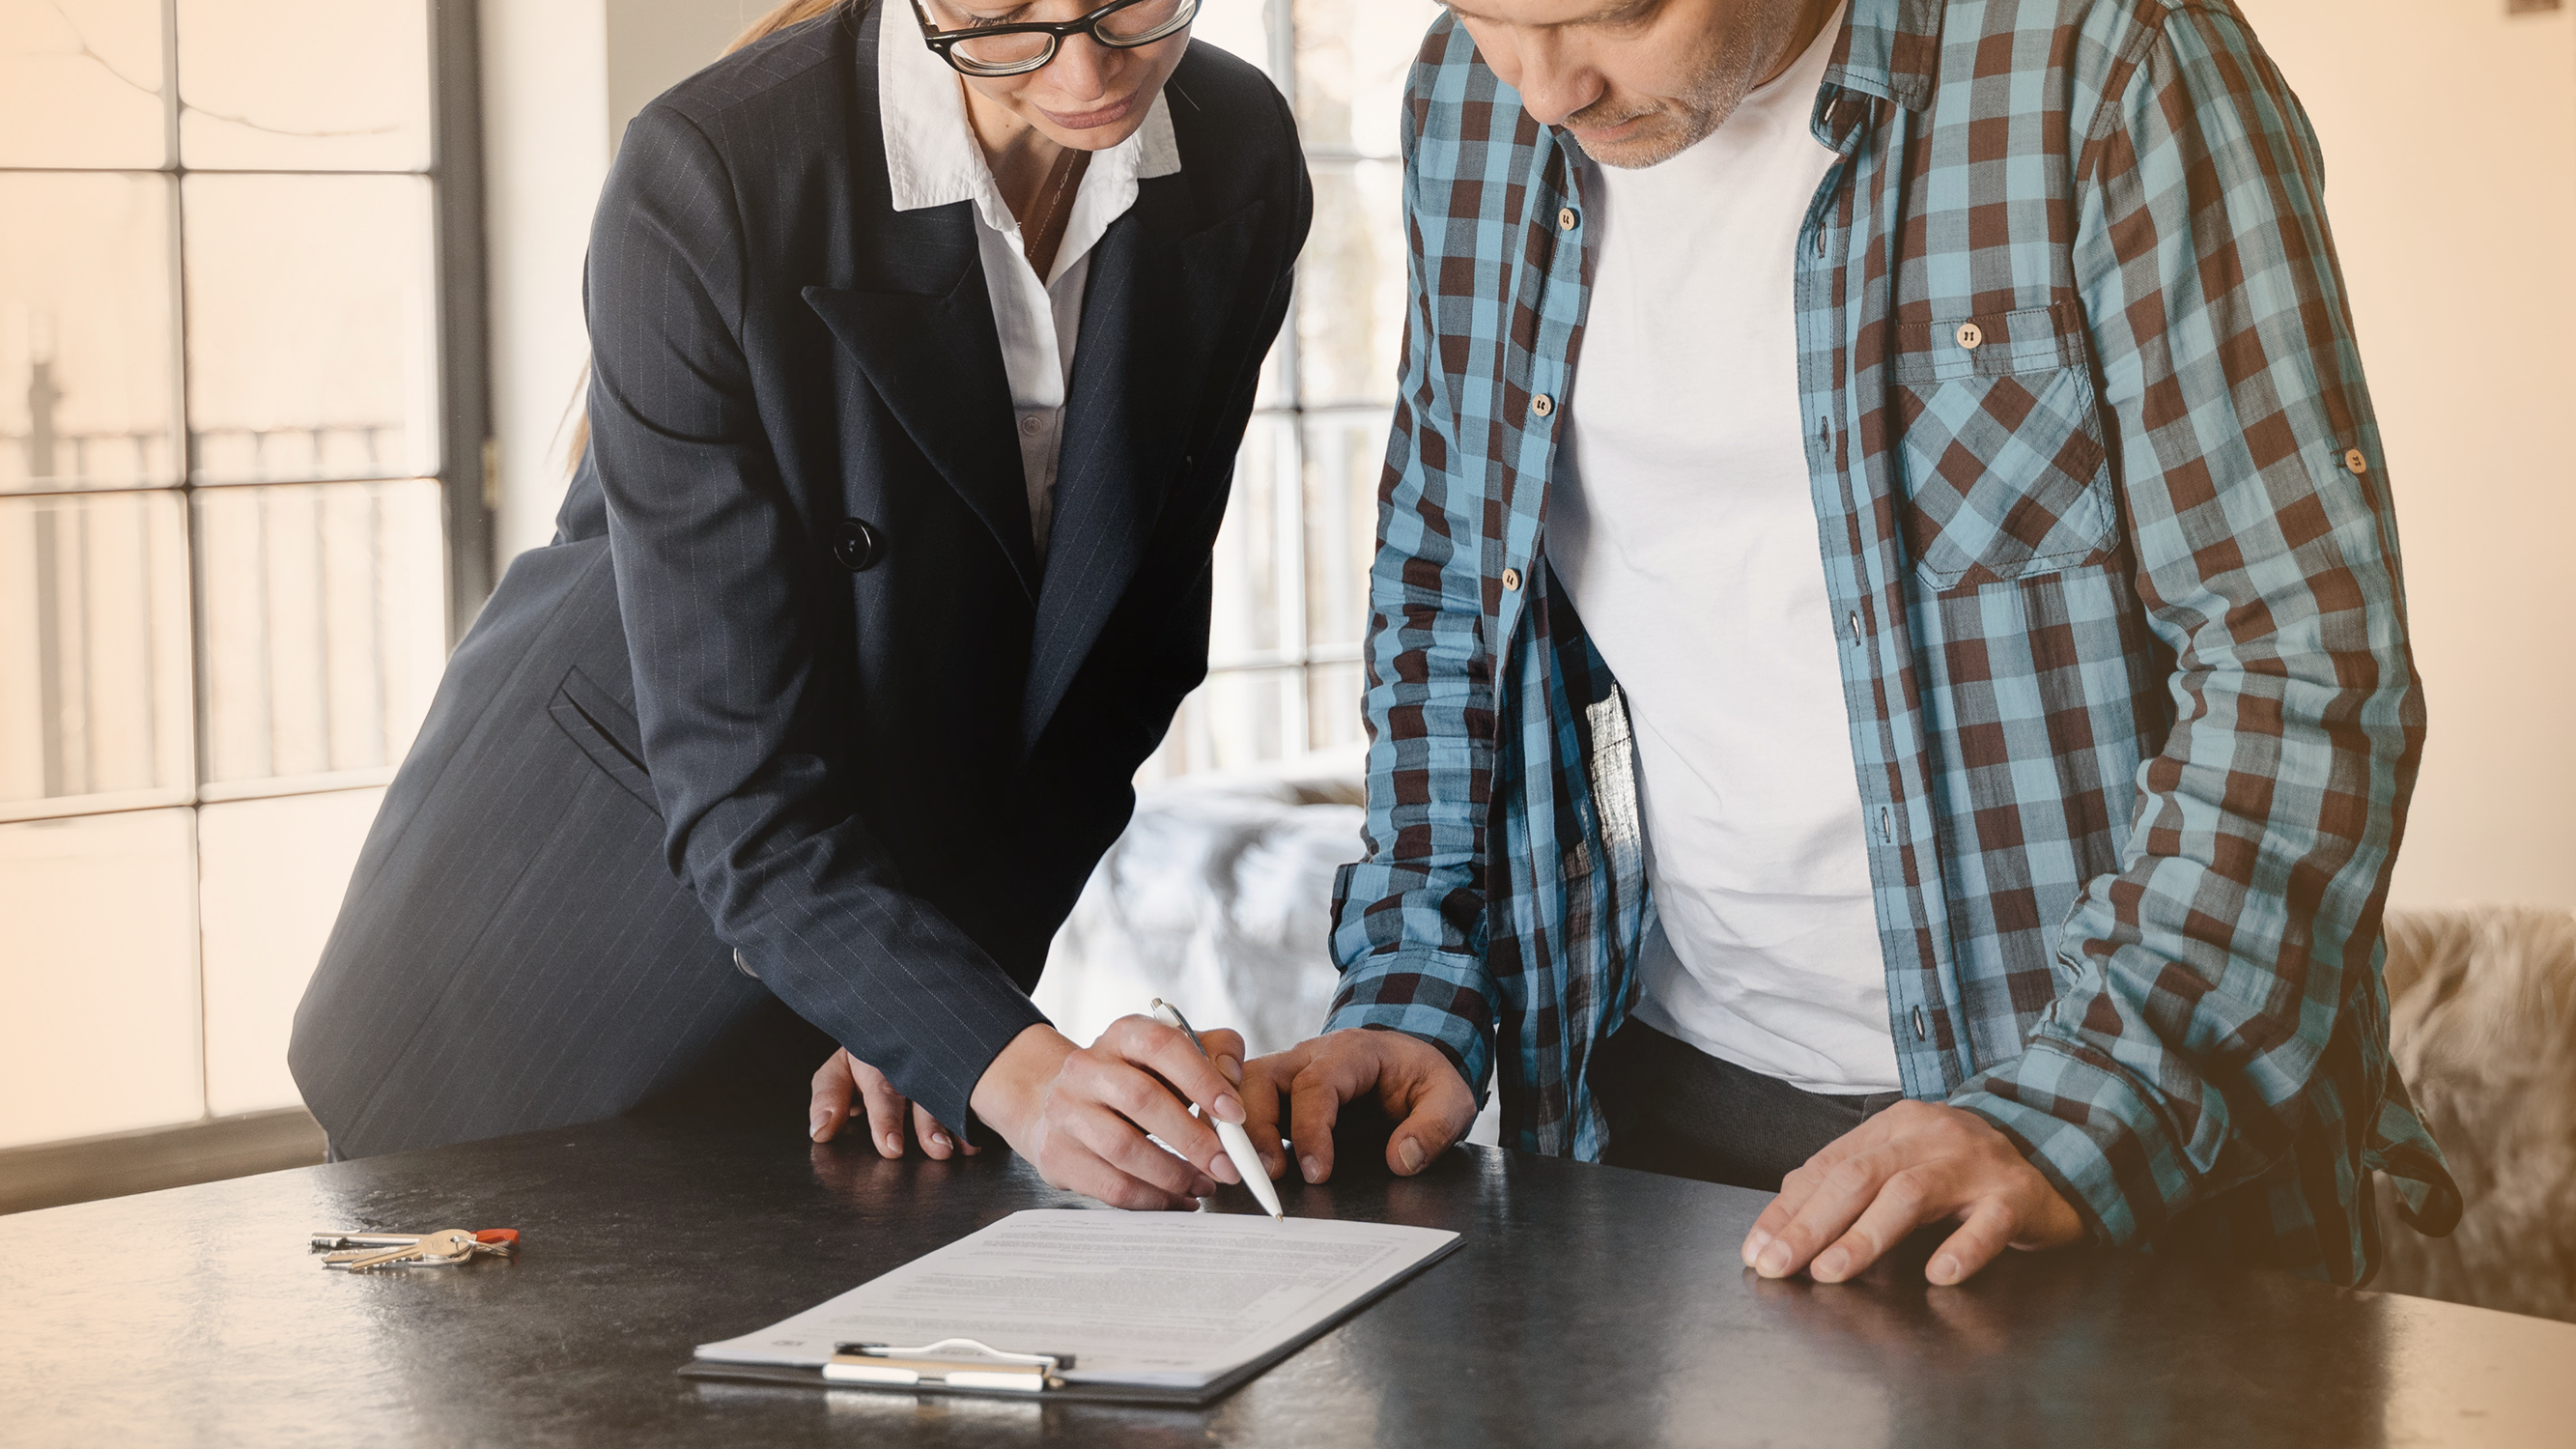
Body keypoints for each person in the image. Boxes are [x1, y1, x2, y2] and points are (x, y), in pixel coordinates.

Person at [1245, 0, 2459, 1287]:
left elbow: (2294, 659)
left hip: (2098, 1150)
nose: (1544, 89)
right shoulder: (1464, 102)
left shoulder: (2101, 61)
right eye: (1487, 15)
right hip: (1665, 1118)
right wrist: (1413, 978)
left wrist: (2080, 1098)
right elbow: (1445, 579)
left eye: (1614, 16)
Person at [291, 0, 1310, 1213]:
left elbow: (1124, 658)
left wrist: (950, 1008)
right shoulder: (710, 173)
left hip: (869, 963)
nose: (1092, 67)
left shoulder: (1237, 154)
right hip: (572, 943)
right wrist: (1015, 1067)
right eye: (1007, 19)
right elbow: (739, 786)